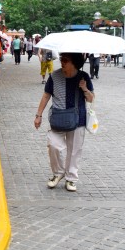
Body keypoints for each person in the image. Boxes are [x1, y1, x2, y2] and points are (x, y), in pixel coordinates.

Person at [34, 52, 94, 192]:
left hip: (78, 120)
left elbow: (91, 99)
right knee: (53, 145)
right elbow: (46, 96)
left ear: (74, 62)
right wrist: (38, 115)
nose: (62, 62)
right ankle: (58, 173)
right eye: (61, 59)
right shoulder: (54, 76)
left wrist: (84, 88)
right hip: (58, 118)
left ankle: (71, 179)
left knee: (74, 151)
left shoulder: (83, 77)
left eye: (65, 60)